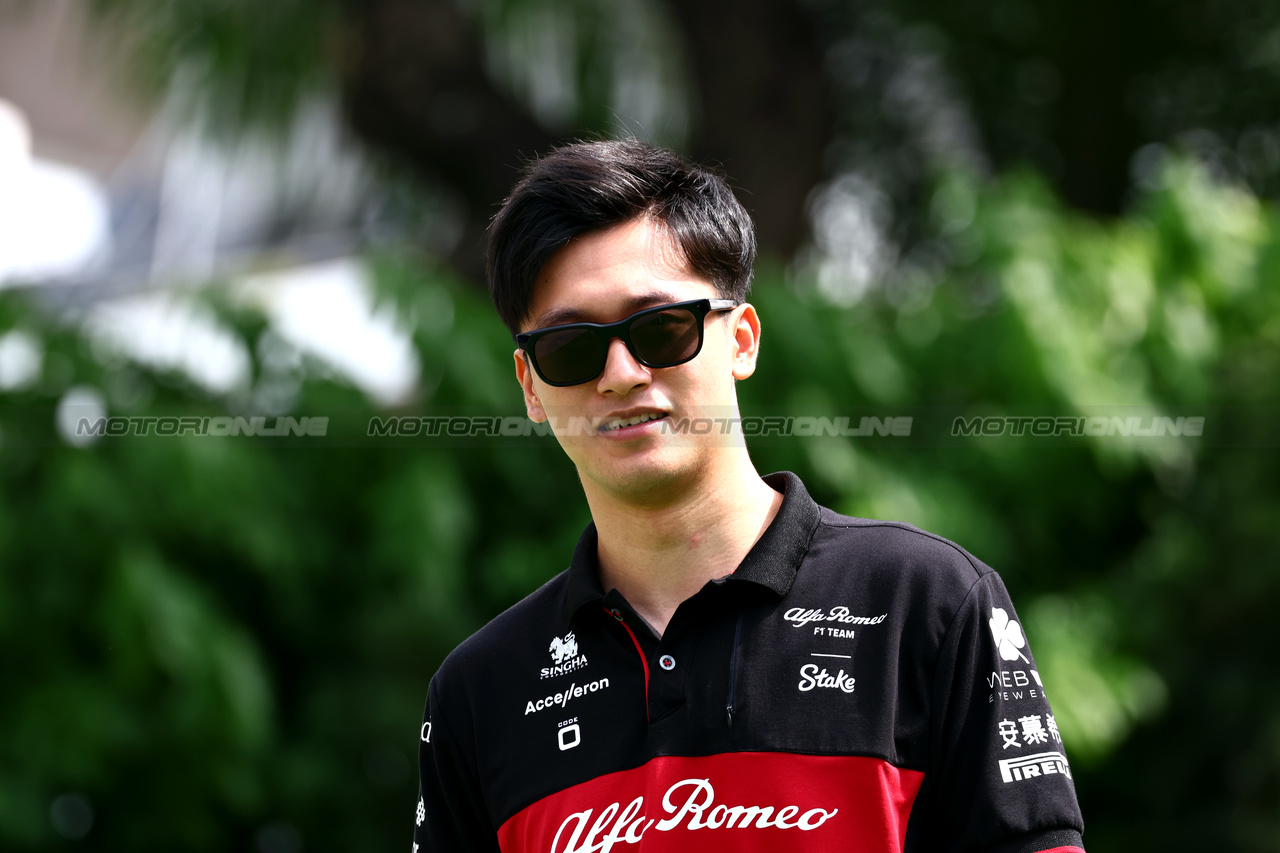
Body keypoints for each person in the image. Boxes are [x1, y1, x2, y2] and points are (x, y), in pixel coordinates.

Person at [411, 139, 1086, 853]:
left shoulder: (929, 603)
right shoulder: (480, 691)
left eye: (660, 328)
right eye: (572, 347)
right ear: (529, 387)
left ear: (741, 340)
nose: (619, 373)